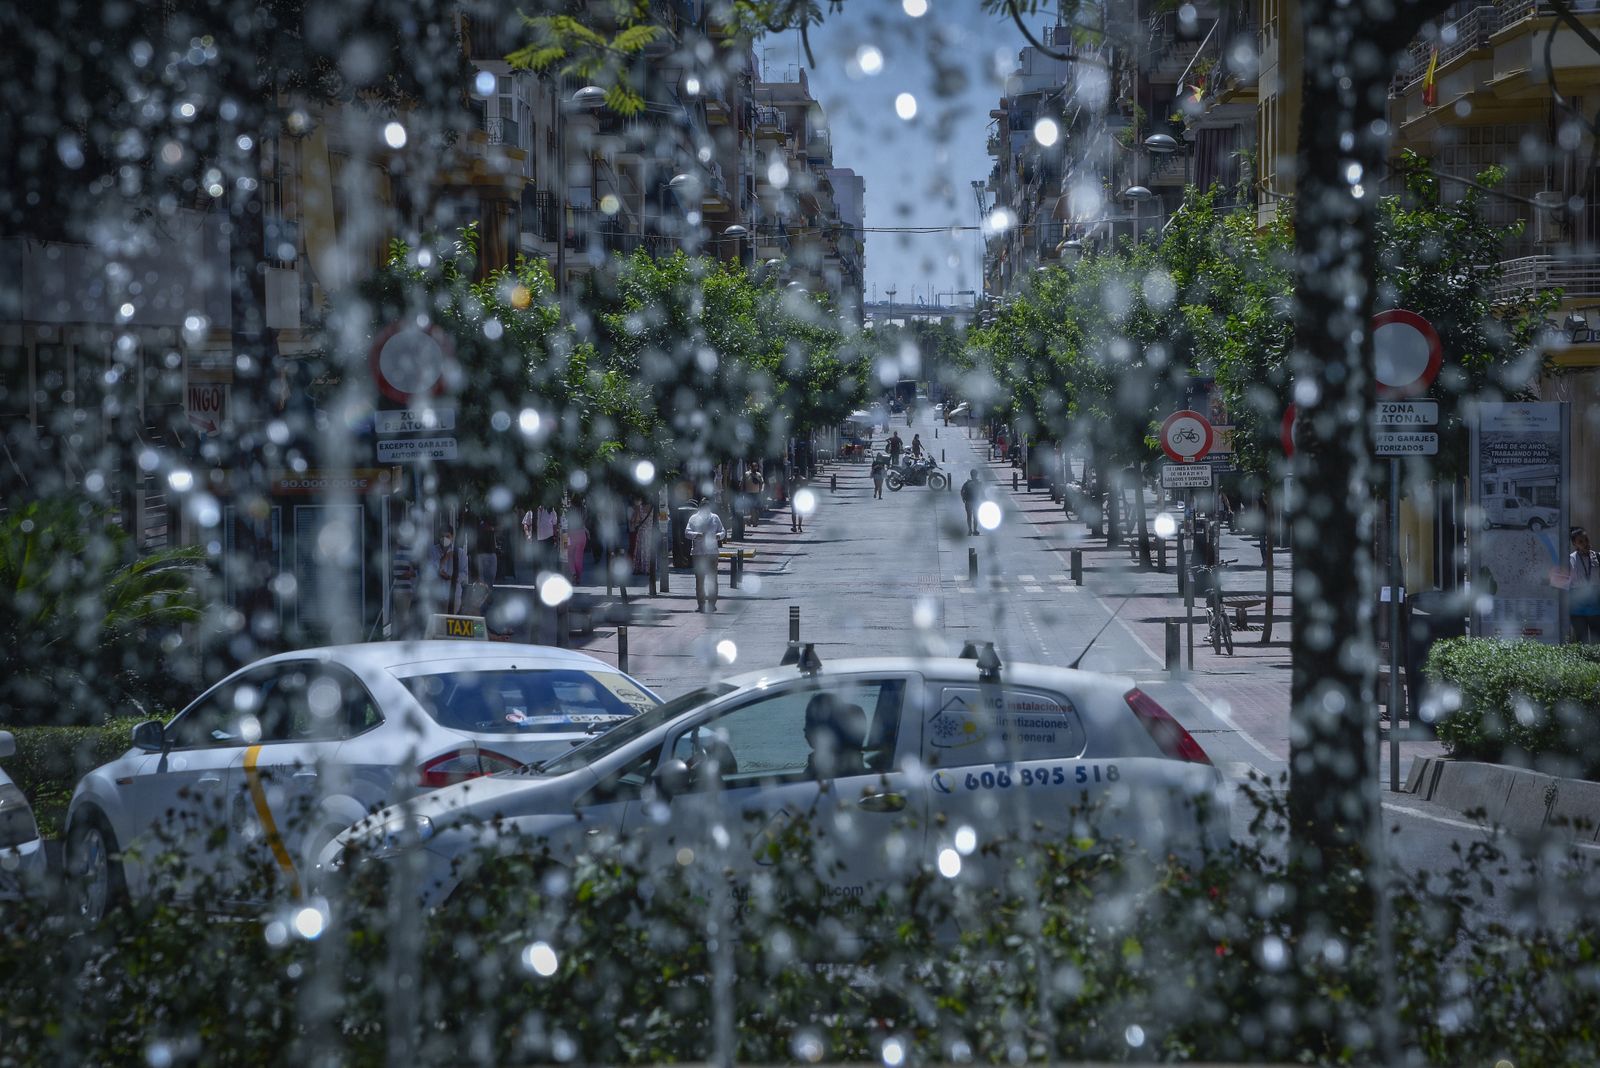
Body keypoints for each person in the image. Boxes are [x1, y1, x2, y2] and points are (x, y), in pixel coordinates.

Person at [684, 498, 726, 612]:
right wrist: (697, 534)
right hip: (699, 553)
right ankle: (701, 604)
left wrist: (718, 536)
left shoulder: (715, 518)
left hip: (712, 552)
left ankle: (712, 604)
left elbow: (723, 531)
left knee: (713, 579)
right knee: (700, 580)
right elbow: (687, 532)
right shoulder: (694, 518)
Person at [426, 526, 468, 615]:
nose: (444, 539)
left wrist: (451, 577)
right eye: (442, 536)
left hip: (453, 595)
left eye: (447, 536)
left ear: (452, 537)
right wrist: (445, 558)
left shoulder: (460, 553)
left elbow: (464, 573)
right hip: (436, 595)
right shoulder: (432, 551)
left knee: (451, 622)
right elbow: (431, 570)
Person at [1569, 527, 1600, 642]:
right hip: (1578, 606)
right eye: (1580, 542)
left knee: (1597, 640)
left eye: (1586, 539)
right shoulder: (1570, 559)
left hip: (1595, 605)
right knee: (1581, 640)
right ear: (1575, 544)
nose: (1585, 543)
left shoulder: (1597, 557)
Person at [563, 500, 588, 584]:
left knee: (569, 555)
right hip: (581, 533)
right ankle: (578, 576)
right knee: (579, 557)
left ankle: (573, 573)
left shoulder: (568, 509)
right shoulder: (583, 509)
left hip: (570, 533)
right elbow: (585, 519)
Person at [961, 469, 982, 536]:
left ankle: (970, 530)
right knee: (975, 516)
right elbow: (981, 492)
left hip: (968, 501)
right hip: (976, 502)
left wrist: (963, 498)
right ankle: (975, 530)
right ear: (976, 475)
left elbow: (962, 490)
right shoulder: (978, 483)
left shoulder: (967, 483)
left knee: (969, 516)